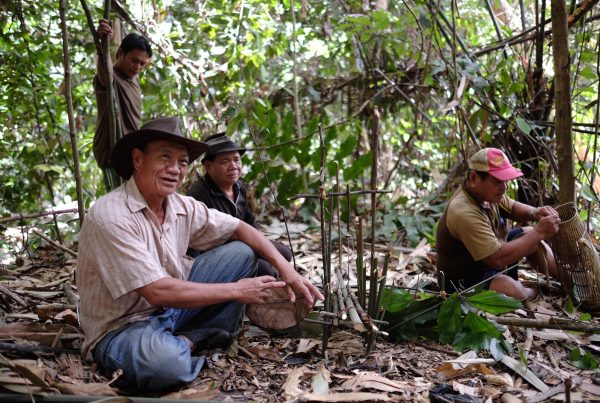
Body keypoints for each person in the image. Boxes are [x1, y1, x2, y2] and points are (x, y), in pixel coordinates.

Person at [76, 117, 324, 392]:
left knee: (242, 253)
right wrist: (236, 290)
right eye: (164, 158)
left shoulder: (180, 205)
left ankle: (194, 334)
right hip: (123, 325)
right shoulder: (111, 215)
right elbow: (157, 292)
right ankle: (190, 341)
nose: (175, 169)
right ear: (138, 159)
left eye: (182, 162)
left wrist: (287, 270)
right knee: (166, 366)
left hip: (171, 308)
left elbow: (240, 227)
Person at [435, 148, 561, 300]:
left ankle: (566, 280)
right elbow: (497, 259)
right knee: (511, 290)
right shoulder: (463, 211)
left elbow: (512, 207)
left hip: (490, 264)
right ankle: (535, 292)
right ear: (474, 178)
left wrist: (535, 212)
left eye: (506, 181)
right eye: (498, 181)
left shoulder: (487, 193)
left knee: (528, 233)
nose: (505, 187)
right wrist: (540, 232)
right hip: (463, 281)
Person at [186, 133, 293, 277]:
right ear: (208, 167)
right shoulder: (200, 195)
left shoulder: (238, 187)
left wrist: (259, 245)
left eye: (236, 160)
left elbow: (248, 219)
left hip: (246, 241)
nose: (233, 166)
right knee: (267, 270)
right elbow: (195, 243)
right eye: (225, 161)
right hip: (220, 254)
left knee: (285, 253)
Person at [93, 18, 152, 191]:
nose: (138, 67)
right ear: (119, 53)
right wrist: (103, 43)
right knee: (118, 200)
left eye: (142, 63)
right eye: (134, 60)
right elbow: (105, 74)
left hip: (130, 153)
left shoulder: (134, 77)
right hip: (112, 152)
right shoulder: (111, 77)